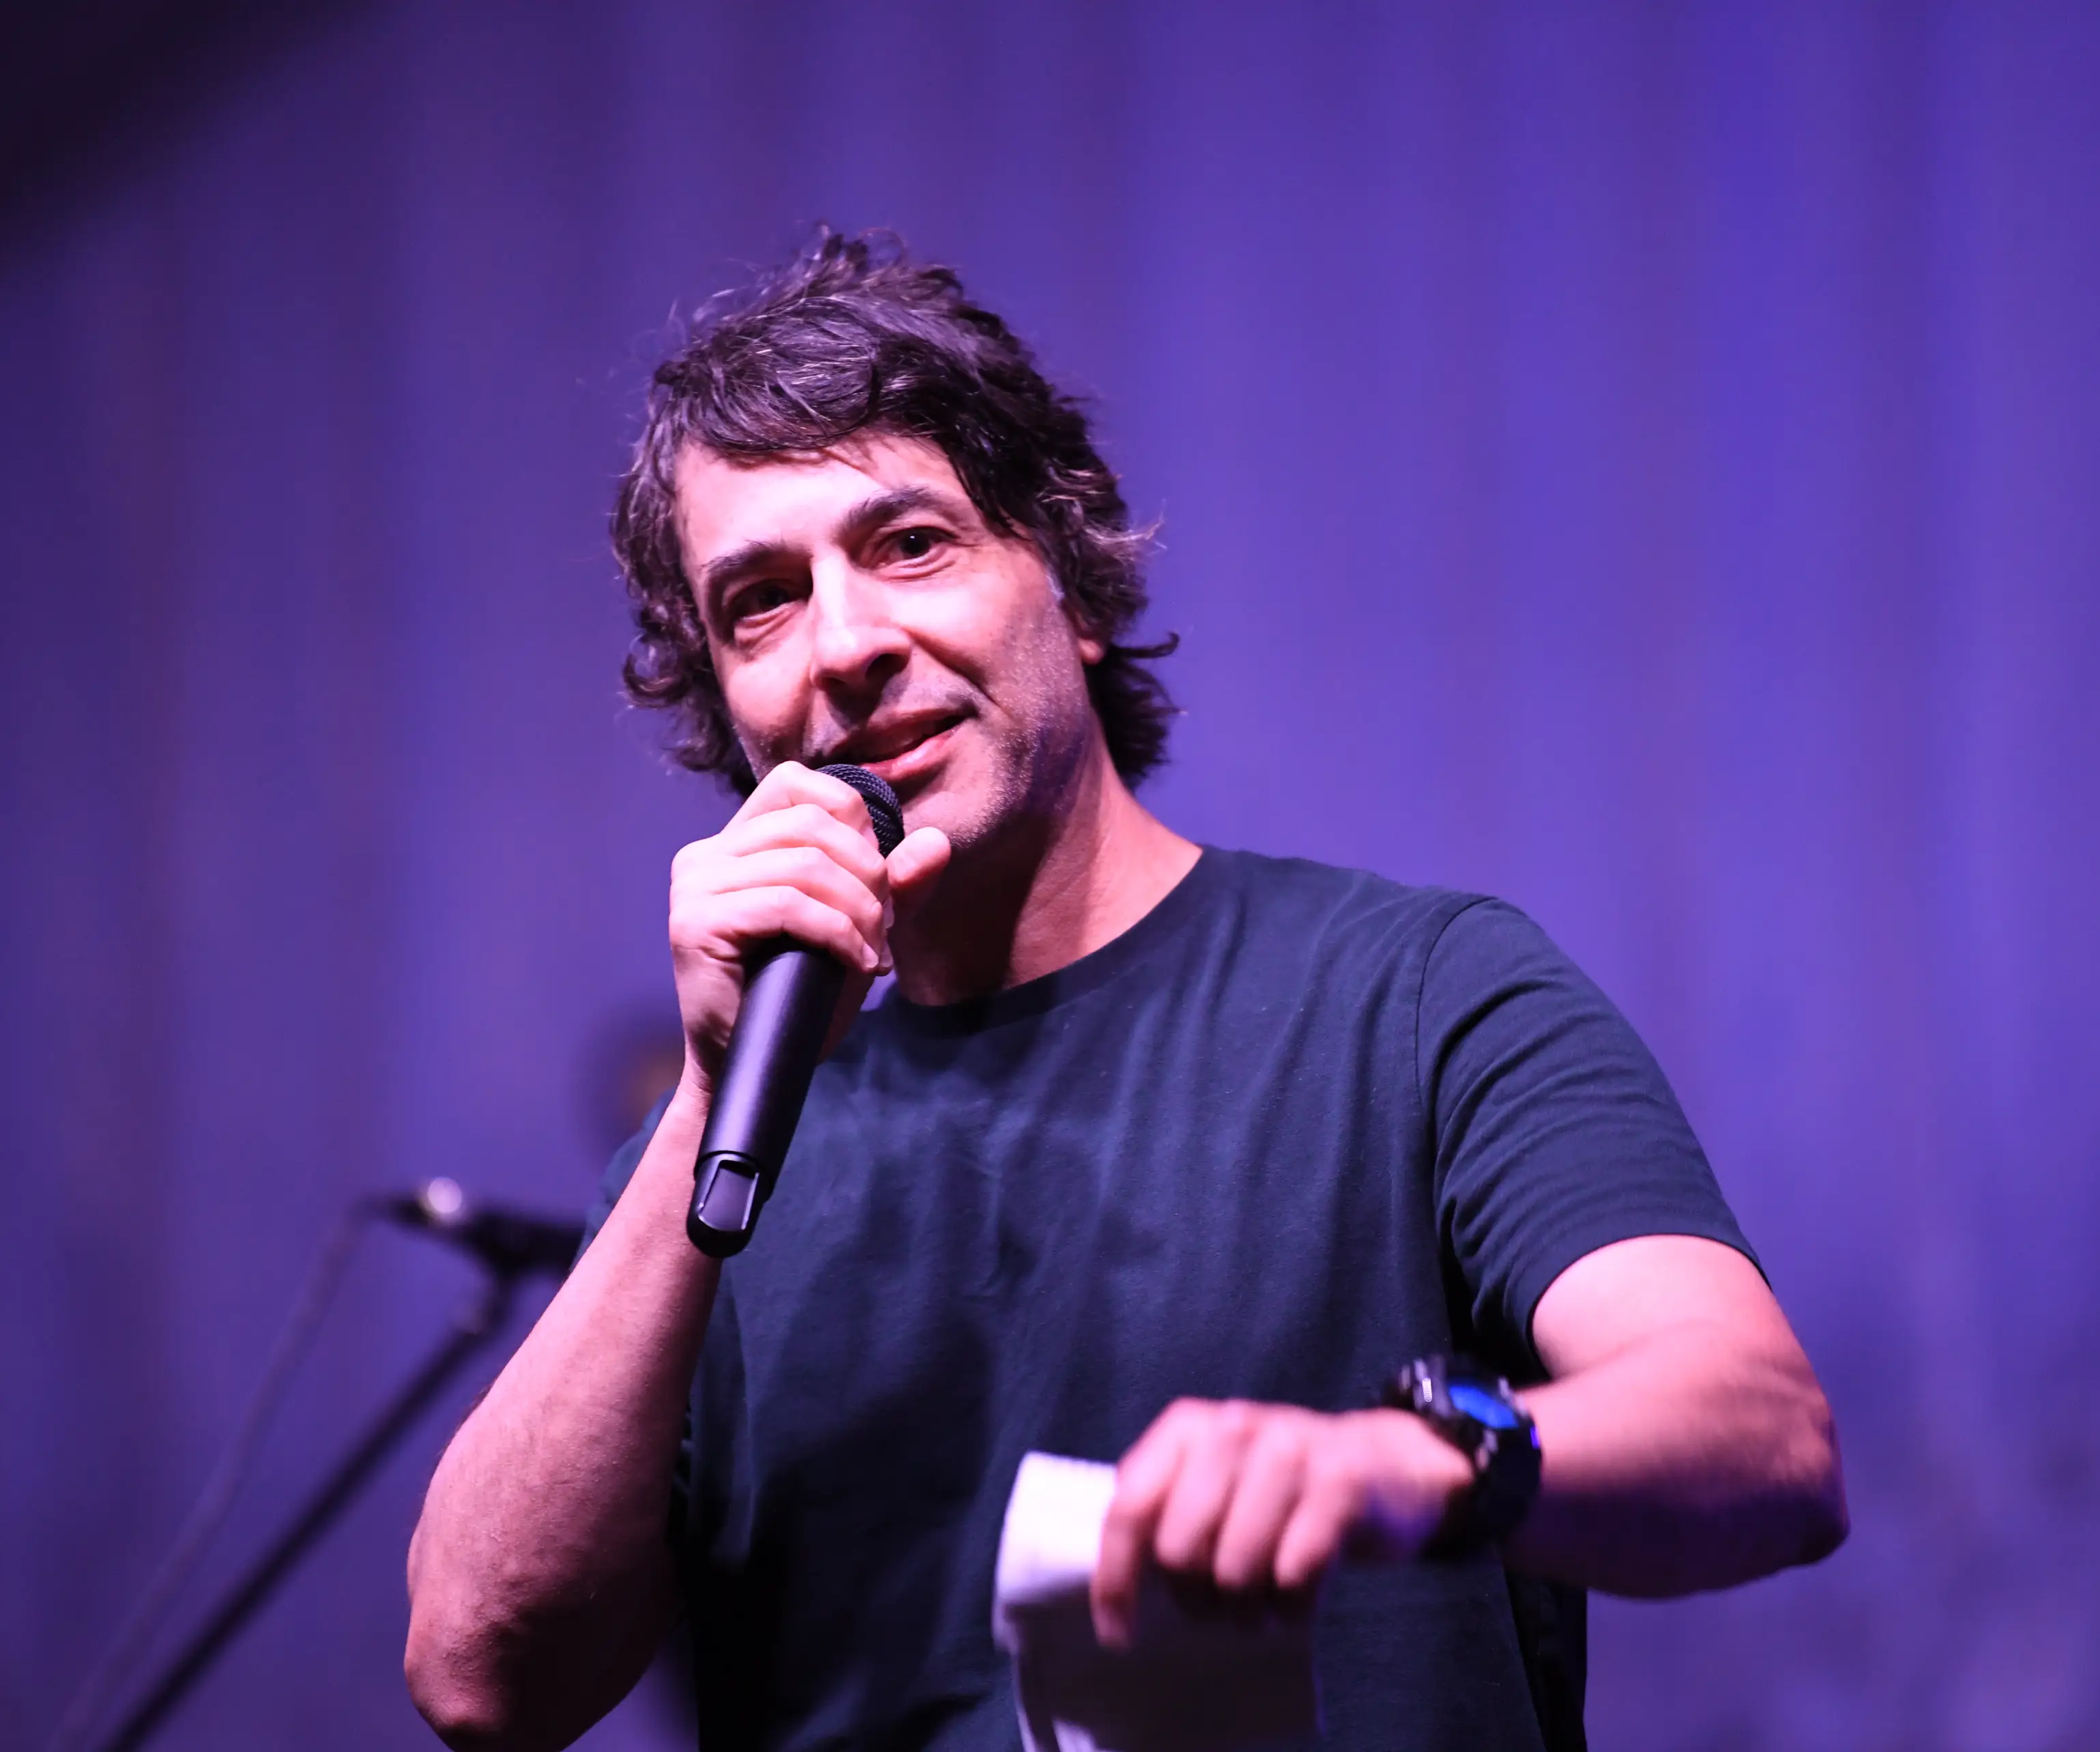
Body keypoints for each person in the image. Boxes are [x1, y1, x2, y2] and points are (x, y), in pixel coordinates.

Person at [403, 231, 1848, 1752]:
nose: (845, 646)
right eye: (760, 601)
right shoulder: (721, 1154)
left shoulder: (1418, 998)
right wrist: (706, 1094)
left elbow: (1761, 1433)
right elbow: (481, 1672)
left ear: (1074, 582)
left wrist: (1405, 1464)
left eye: (910, 545)